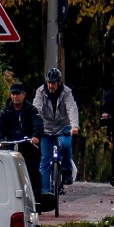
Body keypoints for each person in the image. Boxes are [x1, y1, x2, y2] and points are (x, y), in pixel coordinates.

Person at [32, 68, 80, 198]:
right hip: (46, 128)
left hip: (63, 127)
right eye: (48, 82)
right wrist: (36, 128)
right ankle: (45, 192)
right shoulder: (40, 92)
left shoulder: (66, 92)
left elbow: (72, 108)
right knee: (44, 160)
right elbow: (36, 110)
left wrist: (74, 126)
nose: (50, 85)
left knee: (65, 144)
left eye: (53, 83)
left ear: (59, 82)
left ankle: (66, 171)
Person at [0, 82, 45, 197]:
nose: (15, 96)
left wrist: (35, 136)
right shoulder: (5, 112)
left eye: (18, 94)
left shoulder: (31, 110)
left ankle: (37, 200)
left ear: (24, 95)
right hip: (12, 149)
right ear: (10, 95)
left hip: (29, 148)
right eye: (13, 94)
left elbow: (38, 124)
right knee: (5, 173)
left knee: (33, 173)